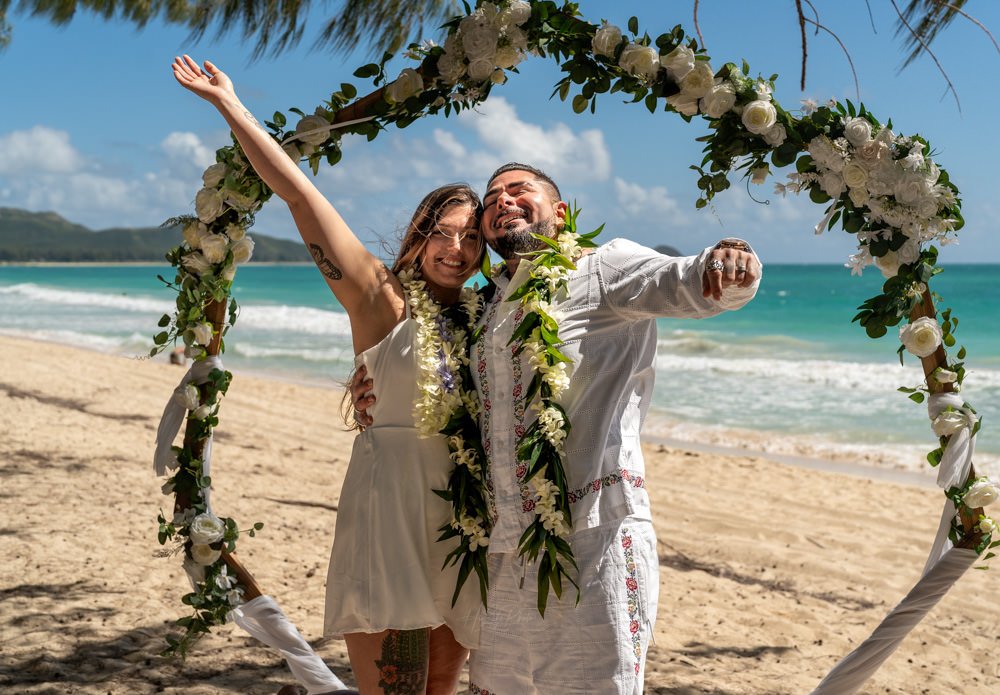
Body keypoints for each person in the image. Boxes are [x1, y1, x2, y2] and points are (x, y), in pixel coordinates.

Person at [354, 162, 761, 694]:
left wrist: (731, 263)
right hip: (501, 553)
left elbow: (687, 282)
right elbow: (438, 376)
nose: (503, 200)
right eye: (493, 197)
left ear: (561, 214)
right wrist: (375, 389)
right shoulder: (486, 306)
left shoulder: (604, 269)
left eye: (520, 190)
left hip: (595, 538)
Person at [172, 55, 486, 695]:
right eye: (445, 234)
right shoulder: (380, 297)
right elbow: (300, 195)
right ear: (420, 237)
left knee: (443, 689)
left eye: (474, 239)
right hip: (389, 512)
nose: (458, 250)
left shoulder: (492, 321)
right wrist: (229, 104)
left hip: (463, 524)